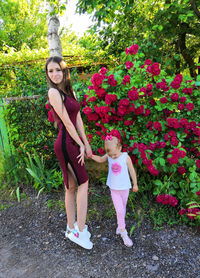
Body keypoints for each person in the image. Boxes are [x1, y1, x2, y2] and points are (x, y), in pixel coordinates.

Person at [45, 56, 93, 250]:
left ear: (64, 71)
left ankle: (72, 227)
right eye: (50, 71)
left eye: (58, 70)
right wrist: (79, 144)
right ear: (48, 74)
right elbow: (65, 120)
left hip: (72, 142)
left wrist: (86, 143)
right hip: (66, 144)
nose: (55, 74)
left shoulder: (69, 90)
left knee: (72, 186)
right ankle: (80, 232)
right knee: (83, 183)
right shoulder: (53, 92)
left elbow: (78, 118)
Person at [91, 135, 138, 247]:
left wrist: (135, 183)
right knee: (120, 210)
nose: (113, 157)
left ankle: (119, 225)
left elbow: (132, 170)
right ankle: (123, 232)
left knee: (123, 208)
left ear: (120, 148)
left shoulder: (125, 157)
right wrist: (91, 155)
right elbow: (101, 159)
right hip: (114, 189)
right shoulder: (109, 155)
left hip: (125, 188)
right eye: (111, 155)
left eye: (115, 154)